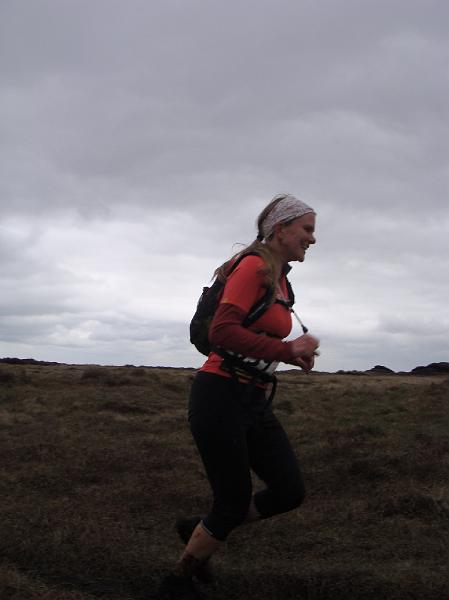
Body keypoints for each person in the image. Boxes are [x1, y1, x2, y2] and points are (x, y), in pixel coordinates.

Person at [158, 193, 320, 599]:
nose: (313, 239)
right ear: (280, 229)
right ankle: (177, 582)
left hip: (254, 397)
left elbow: (254, 335)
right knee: (232, 501)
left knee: (288, 491)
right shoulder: (252, 267)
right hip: (220, 396)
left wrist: (290, 358)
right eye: (307, 229)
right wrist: (287, 350)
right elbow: (222, 333)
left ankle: (199, 528)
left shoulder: (281, 279)